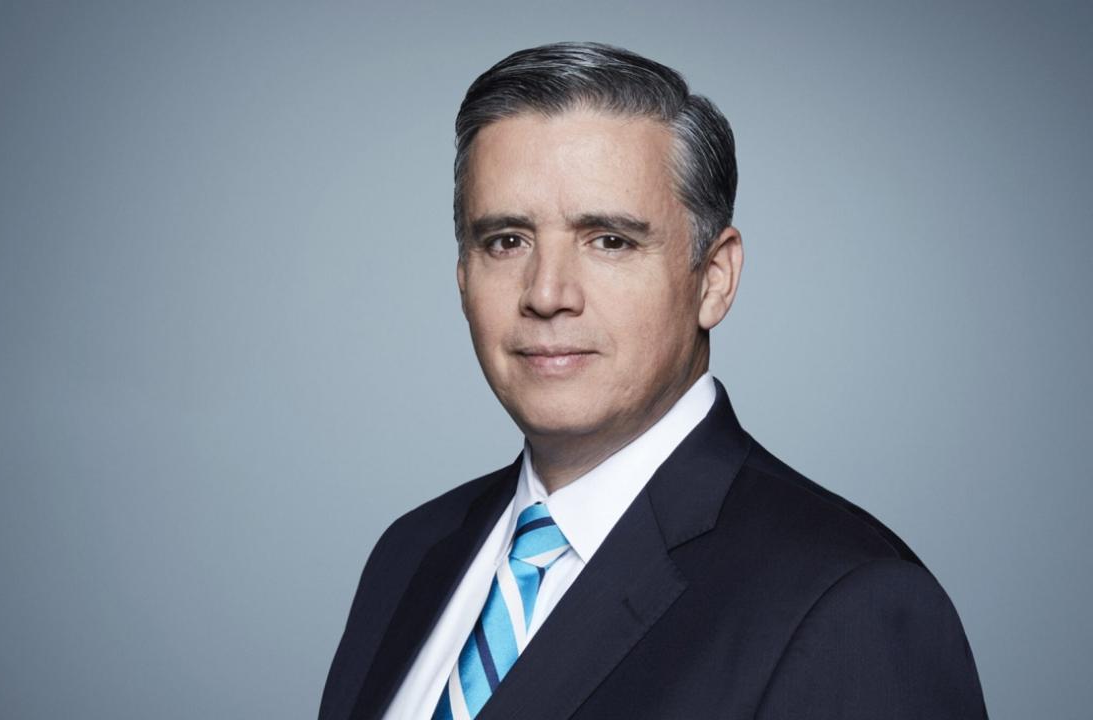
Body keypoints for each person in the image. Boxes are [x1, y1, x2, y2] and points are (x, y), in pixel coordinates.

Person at [319, 42, 987, 720]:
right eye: (507, 241)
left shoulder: (851, 606)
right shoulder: (412, 553)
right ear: (463, 275)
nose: (547, 294)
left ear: (714, 279)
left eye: (609, 240)